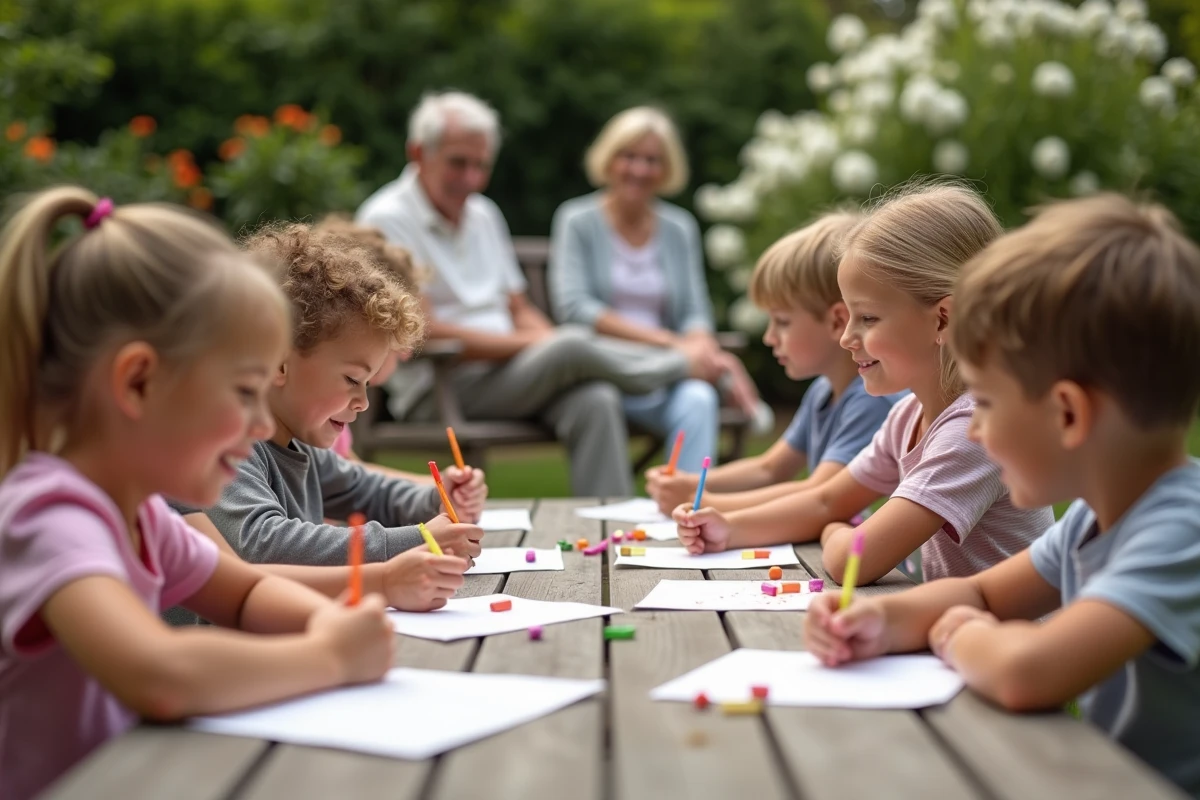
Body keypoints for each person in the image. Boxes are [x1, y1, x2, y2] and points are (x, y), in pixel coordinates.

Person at [0, 188, 394, 800]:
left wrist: (337, 622)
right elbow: (161, 674)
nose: (262, 425)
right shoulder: (51, 517)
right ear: (138, 383)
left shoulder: (143, 515)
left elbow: (247, 593)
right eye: (242, 393)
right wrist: (331, 658)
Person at [804, 194, 1200, 798]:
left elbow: (1025, 672)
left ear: (1067, 413)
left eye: (986, 402)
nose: (977, 428)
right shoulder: (1098, 517)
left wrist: (955, 631)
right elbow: (984, 591)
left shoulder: (1179, 530)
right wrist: (879, 620)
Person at [674, 182, 1053, 584]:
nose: (845, 337)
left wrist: (836, 530)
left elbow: (855, 559)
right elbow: (825, 500)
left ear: (942, 319)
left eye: (868, 318)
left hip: (1017, 643)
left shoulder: (972, 433)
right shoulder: (908, 416)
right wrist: (727, 528)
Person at [356, 91, 720, 496]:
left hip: (510, 375)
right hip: (441, 384)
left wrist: (541, 342)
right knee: (569, 345)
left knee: (595, 399)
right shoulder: (387, 218)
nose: (472, 179)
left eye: (481, 166)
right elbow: (424, 330)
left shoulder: (483, 214)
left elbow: (519, 306)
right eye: (459, 163)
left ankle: (609, 529)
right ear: (419, 153)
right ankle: (678, 367)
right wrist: (541, 344)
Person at [176, 224, 486, 567]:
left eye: (366, 382)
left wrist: (435, 499)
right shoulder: (231, 444)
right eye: (352, 378)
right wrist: (418, 539)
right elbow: (264, 543)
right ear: (278, 362)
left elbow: (369, 491)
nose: (363, 402)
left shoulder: (301, 444)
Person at [549, 106, 763, 471]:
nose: (639, 169)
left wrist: (698, 344)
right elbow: (575, 308)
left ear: (666, 169)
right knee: (600, 400)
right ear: (608, 160)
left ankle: (685, 513)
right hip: (607, 368)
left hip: (669, 372)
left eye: (652, 160)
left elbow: (695, 310)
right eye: (628, 156)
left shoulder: (679, 228)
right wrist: (672, 345)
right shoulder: (577, 220)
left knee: (698, 398)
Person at [646, 210, 901, 514]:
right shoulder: (823, 390)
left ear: (836, 322)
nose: (769, 338)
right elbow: (770, 468)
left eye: (781, 321)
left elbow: (818, 493)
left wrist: (702, 501)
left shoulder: (872, 399)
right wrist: (689, 483)